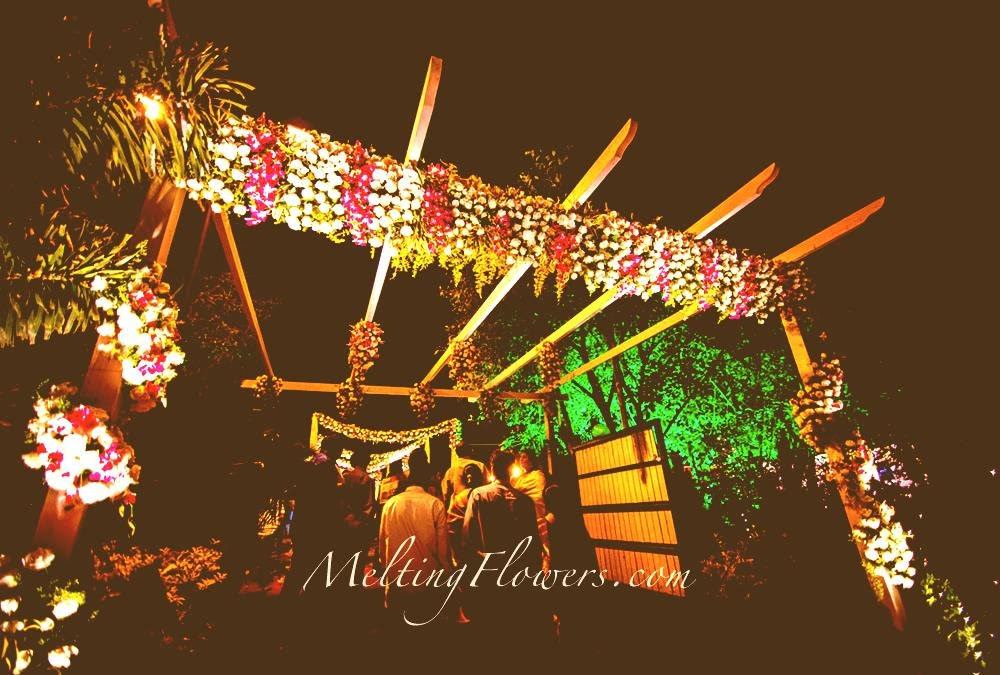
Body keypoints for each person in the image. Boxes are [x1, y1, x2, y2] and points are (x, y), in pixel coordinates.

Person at [462, 449, 542, 633]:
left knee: (493, 627)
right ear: (511, 469)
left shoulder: (479, 495)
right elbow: (533, 544)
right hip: (518, 575)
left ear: (492, 469)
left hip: (489, 572)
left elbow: (468, 538)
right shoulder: (524, 501)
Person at [378, 449, 451, 631]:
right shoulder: (435, 504)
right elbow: (443, 553)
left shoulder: (390, 504)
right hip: (426, 583)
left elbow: (382, 547)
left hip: (398, 583)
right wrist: (448, 578)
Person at [513, 451, 553, 570]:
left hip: (538, 513)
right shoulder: (519, 478)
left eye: (524, 457)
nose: (521, 459)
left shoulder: (538, 475)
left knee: (545, 547)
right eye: (520, 457)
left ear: (531, 459)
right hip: (525, 515)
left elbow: (538, 495)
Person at [446, 463, 485, 564]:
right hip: (474, 549)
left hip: (474, 550)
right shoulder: (460, 499)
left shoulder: (460, 498)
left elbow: (451, 529)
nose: (470, 477)